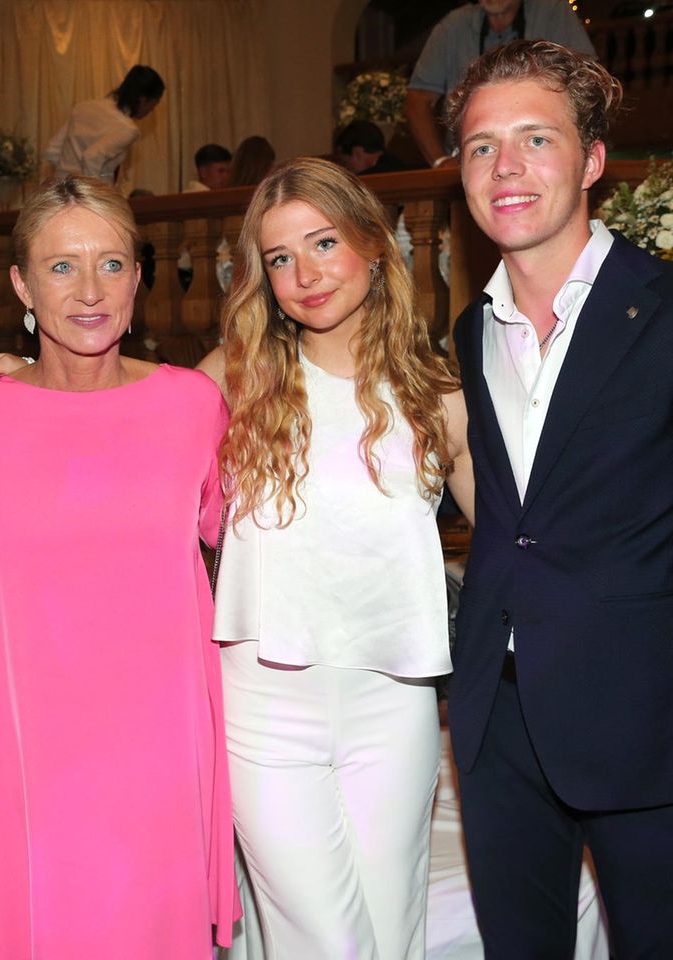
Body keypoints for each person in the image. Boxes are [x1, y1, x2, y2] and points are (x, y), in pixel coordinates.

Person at [199, 157, 473, 958]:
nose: (304, 274)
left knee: (392, 936)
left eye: (322, 244)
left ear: (373, 245)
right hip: (265, 705)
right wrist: (23, 381)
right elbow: (118, 451)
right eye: (280, 258)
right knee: (325, 941)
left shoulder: (437, 393)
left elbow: (522, 531)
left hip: (395, 705)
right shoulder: (235, 381)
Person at [446, 39, 673, 958]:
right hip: (498, 724)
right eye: (480, 146)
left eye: (536, 139)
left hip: (645, 721)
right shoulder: (470, 330)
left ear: (593, 161)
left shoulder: (661, 310)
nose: (505, 168)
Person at [0, 175, 238, 959]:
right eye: (61, 267)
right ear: (20, 283)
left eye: (112, 264)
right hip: (32, 753)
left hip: (161, 745)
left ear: (138, 276)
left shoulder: (192, 404)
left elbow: (259, 538)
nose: (90, 291)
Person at [406, 0, 595, 168]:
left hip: (541, 159)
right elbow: (417, 100)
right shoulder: (452, 26)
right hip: (467, 165)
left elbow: (589, 83)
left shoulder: (554, 11)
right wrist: (439, 161)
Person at [44, 65, 164, 185]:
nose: (151, 111)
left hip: (60, 192)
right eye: (153, 105)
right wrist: (95, 198)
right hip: (87, 196)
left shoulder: (83, 107)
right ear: (143, 99)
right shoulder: (128, 129)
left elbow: (52, 151)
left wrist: (65, 176)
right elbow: (91, 158)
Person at [332, 119, 403, 175]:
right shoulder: (399, 167)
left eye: (344, 163)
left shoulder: (365, 182)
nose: (344, 170)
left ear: (357, 154)